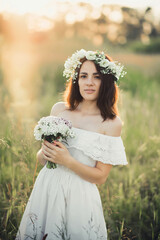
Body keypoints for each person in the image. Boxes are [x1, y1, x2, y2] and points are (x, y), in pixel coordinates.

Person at [15, 49, 128, 240]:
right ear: (76, 79)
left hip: (80, 195)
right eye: (83, 76)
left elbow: (100, 177)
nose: (89, 82)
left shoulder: (111, 123)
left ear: (107, 81)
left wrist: (67, 161)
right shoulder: (60, 110)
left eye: (97, 77)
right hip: (48, 187)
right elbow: (41, 158)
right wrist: (47, 150)